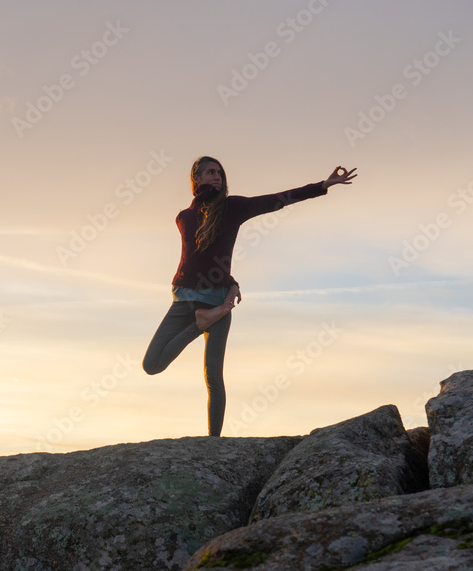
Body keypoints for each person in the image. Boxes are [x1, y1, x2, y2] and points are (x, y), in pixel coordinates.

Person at [142, 156, 357, 436]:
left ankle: (213, 442)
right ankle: (201, 323)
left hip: (217, 301)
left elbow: (277, 199)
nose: (217, 176)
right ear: (197, 177)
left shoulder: (232, 207)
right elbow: (199, 258)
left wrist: (323, 185)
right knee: (152, 365)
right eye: (210, 172)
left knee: (213, 378)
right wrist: (231, 280)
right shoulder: (184, 217)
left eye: (220, 172)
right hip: (184, 299)